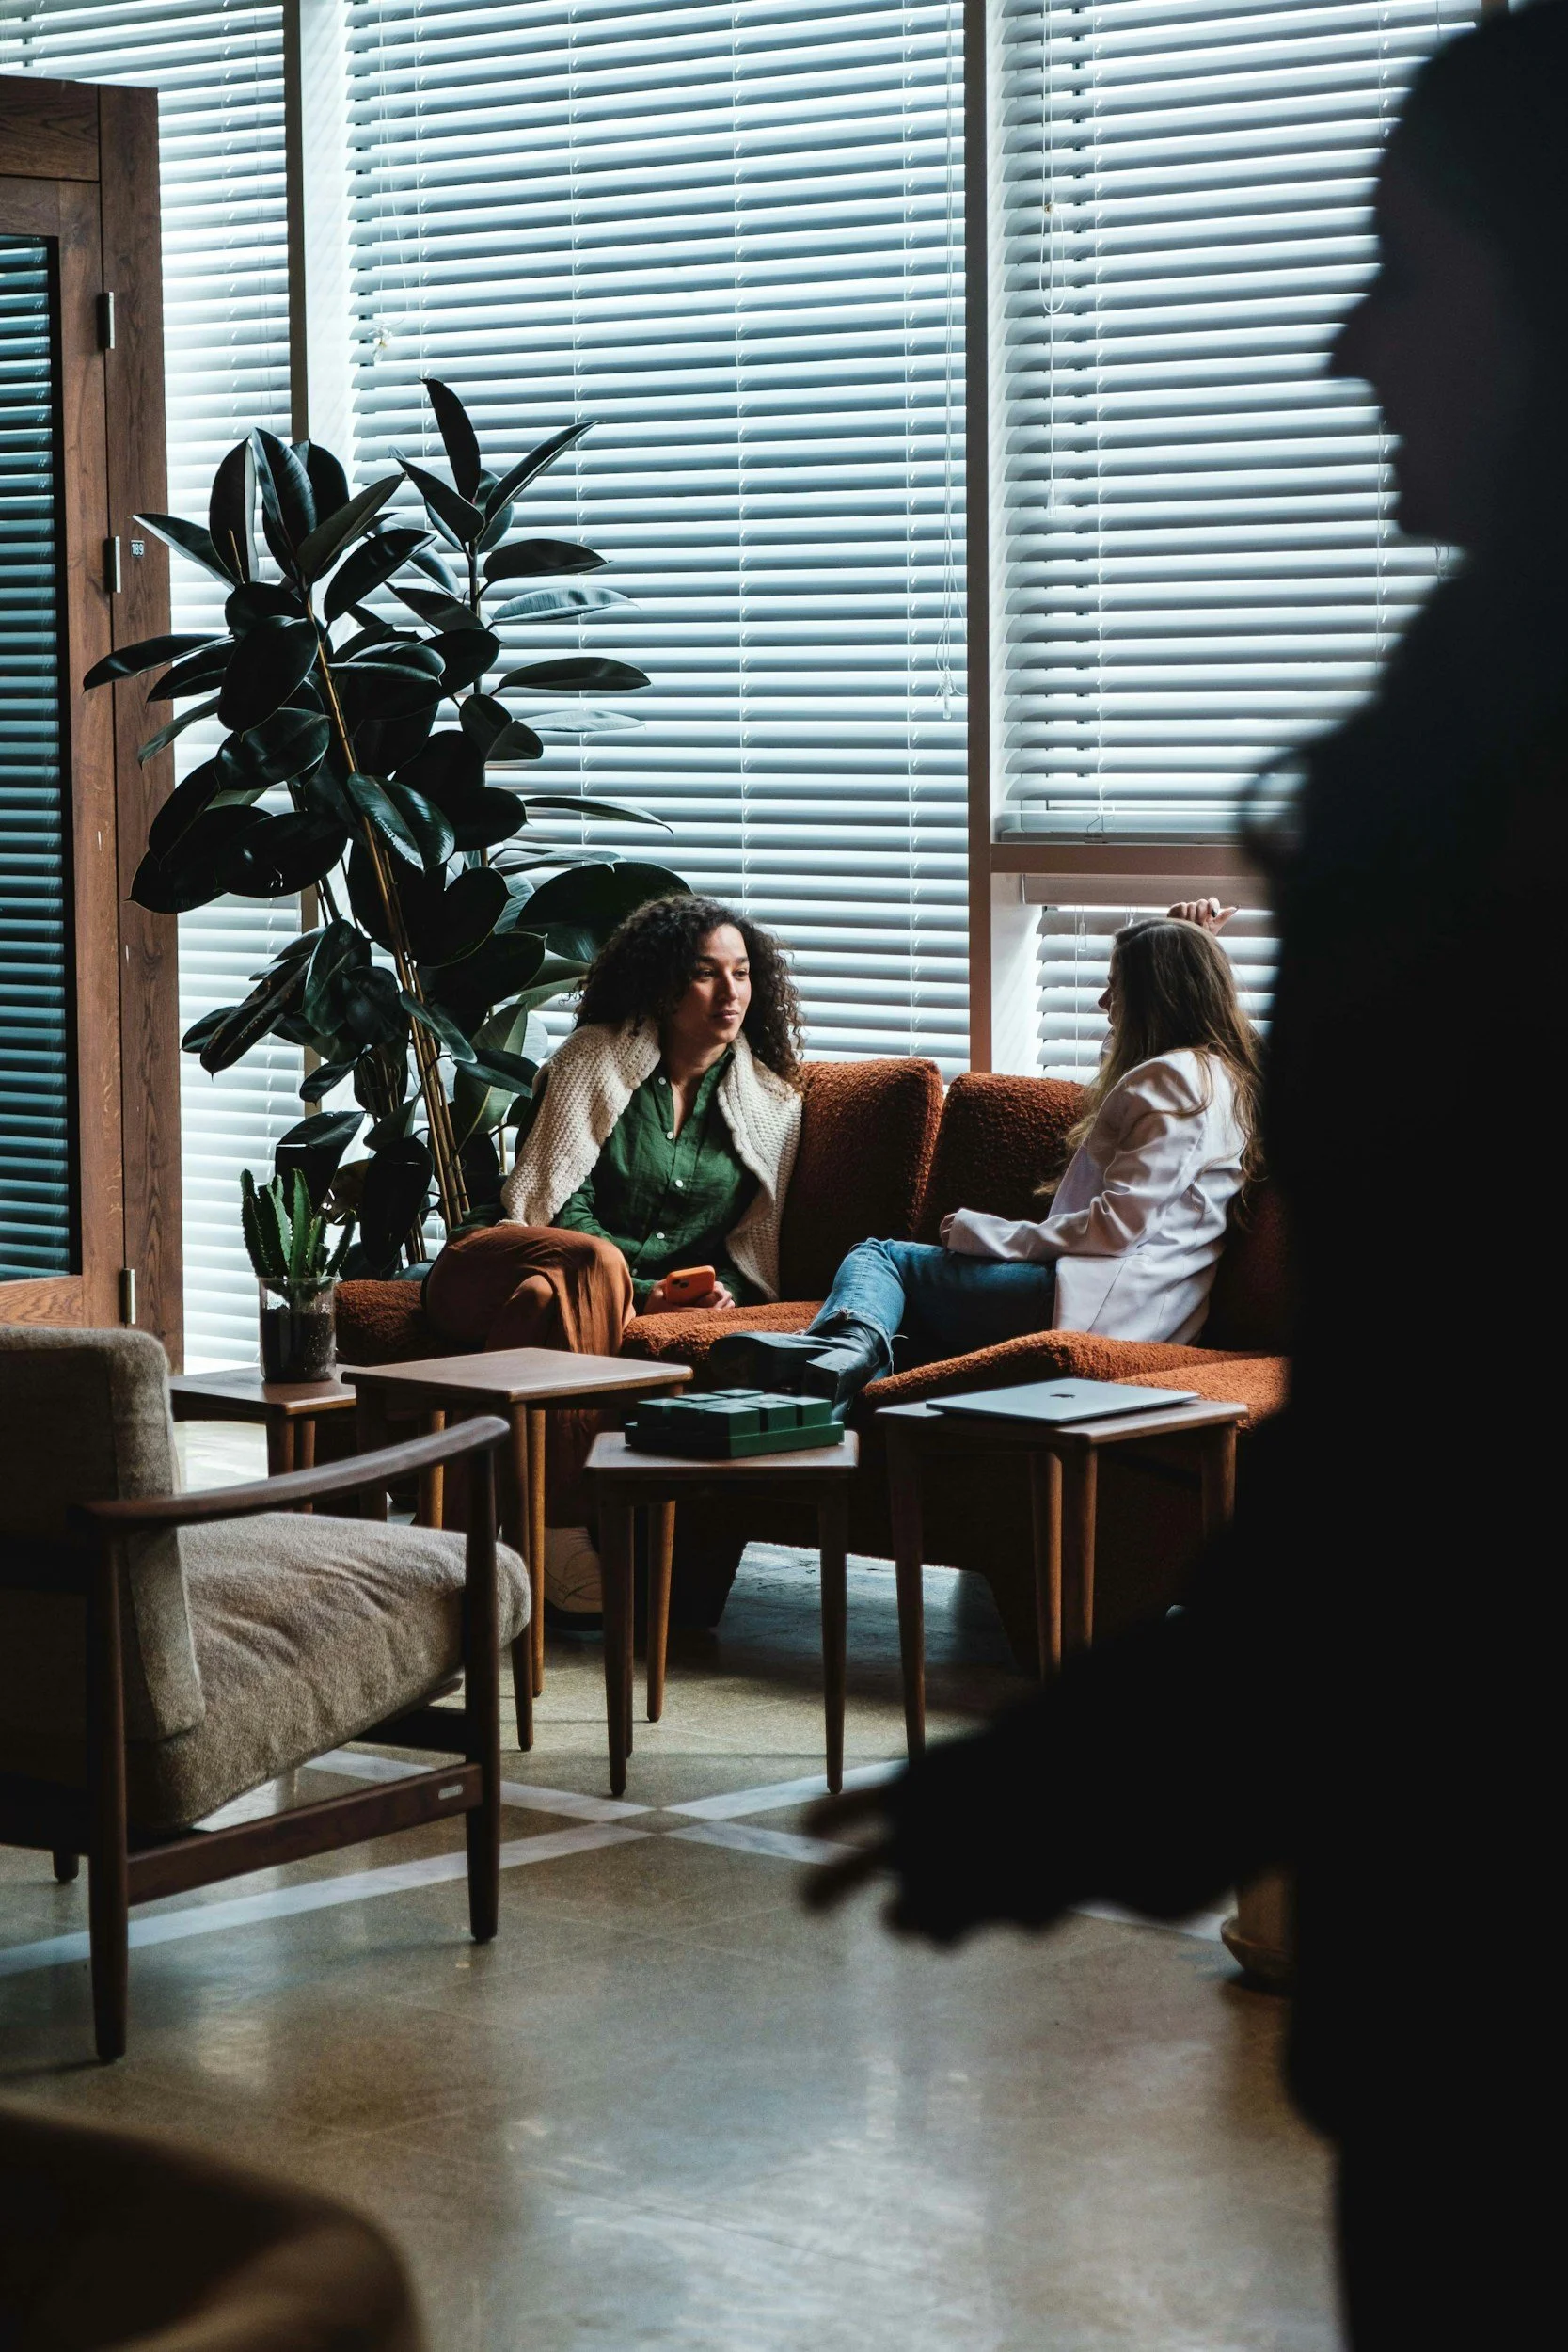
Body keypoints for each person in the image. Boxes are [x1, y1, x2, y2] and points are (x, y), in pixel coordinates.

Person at [804, 5, 1568, 2341]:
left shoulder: (1466, 823)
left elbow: (1453, 1429)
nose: (1345, 345)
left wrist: (1147, 1754)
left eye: (1406, 273)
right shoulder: (1437, 764)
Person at [711, 908, 1260, 1406]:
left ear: (1154, 998)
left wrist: (992, 1236)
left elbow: (1118, 1227)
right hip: (1140, 1309)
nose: (1102, 1004)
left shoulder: (1171, 1083)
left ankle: (833, 1352)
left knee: (881, 1258)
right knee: (896, 1336)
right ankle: (821, 1408)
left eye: (1115, 989)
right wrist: (1190, 940)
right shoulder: (1223, 1082)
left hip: (1096, 1303)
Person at [425, 893, 803, 1615]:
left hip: (545, 1294)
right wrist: (638, 1288)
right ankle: (558, 1524)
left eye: (742, 973)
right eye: (705, 973)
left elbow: (747, 1243)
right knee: (583, 1268)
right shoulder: (593, 1059)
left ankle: (457, 1537)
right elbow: (555, 1205)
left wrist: (704, 1292)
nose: (729, 993)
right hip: (492, 1259)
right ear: (662, 985)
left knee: (540, 1304)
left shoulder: (770, 1105)